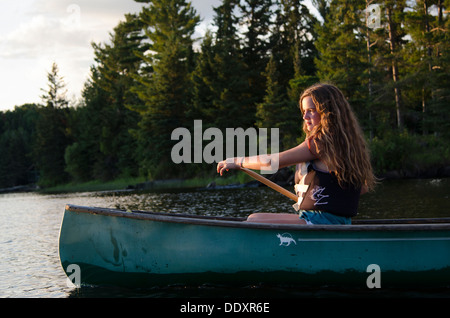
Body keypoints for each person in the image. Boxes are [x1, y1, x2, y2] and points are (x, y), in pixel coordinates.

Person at [216, 83, 376, 225]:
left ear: (328, 112)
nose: (305, 117)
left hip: (319, 221)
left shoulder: (320, 143)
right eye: (304, 111)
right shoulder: (350, 145)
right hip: (340, 222)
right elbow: (361, 189)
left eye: (312, 111)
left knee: (254, 219)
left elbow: (272, 162)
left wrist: (238, 161)